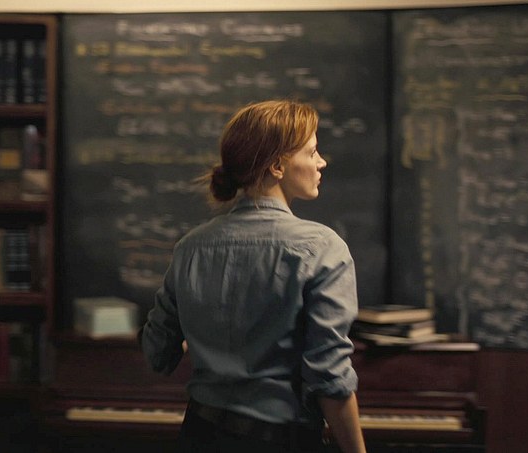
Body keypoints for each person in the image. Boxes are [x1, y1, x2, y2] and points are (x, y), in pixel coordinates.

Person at [139, 99, 366, 453]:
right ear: (277, 166)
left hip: (198, 435)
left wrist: (208, 337)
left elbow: (157, 353)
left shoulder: (190, 247)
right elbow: (329, 377)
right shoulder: (322, 248)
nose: (321, 162)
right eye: (312, 152)